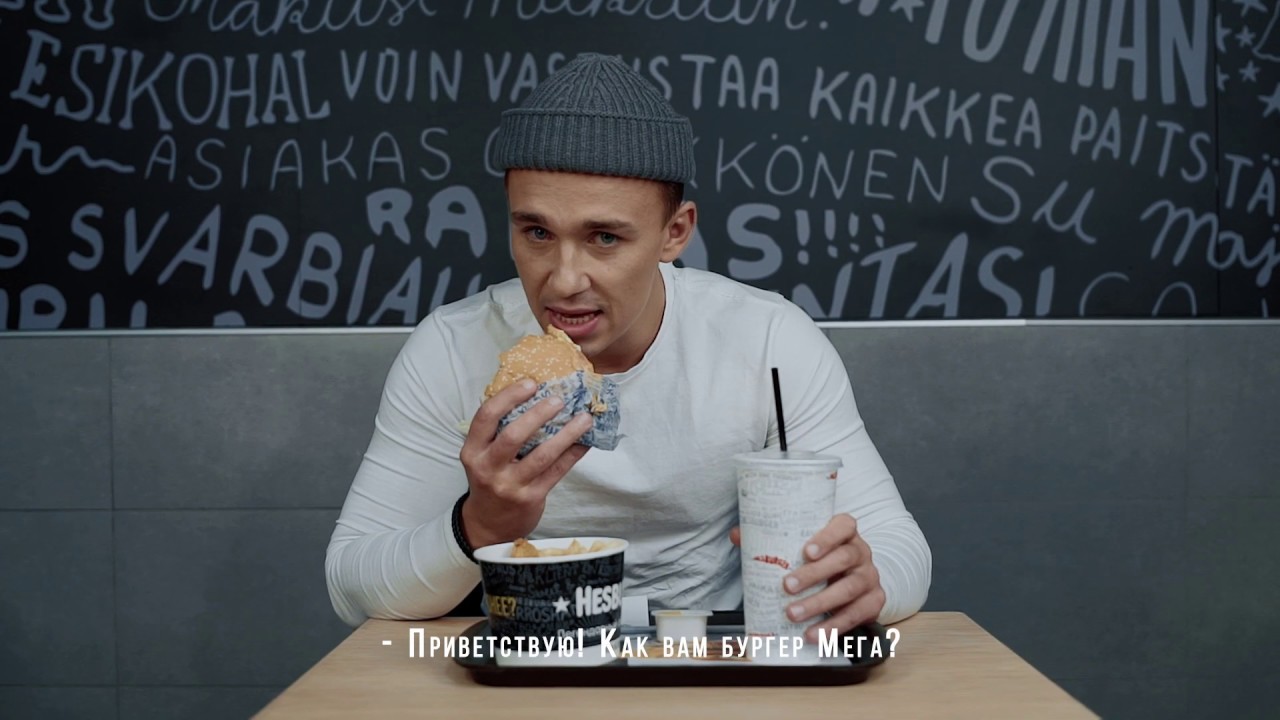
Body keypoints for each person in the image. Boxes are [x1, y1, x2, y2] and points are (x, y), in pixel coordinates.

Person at [325, 53, 931, 641]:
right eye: (536, 232)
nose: (563, 280)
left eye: (605, 238)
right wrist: (481, 525)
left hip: (714, 655)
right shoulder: (454, 349)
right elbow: (352, 587)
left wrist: (864, 582)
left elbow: (900, 550)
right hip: (532, 661)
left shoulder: (767, 339)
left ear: (675, 233)